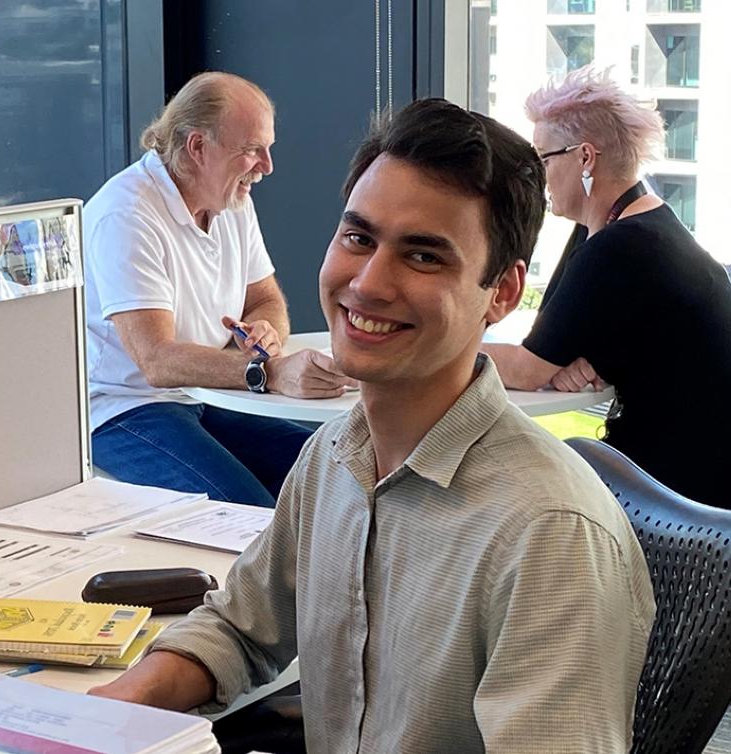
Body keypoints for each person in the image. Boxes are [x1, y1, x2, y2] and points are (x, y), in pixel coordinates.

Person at [88, 99, 655, 753]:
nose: (368, 282)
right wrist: (116, 705)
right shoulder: (333, 454)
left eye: (423, 257)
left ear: (500, 292)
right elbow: (242, 629)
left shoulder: (549, 535)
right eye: (359, 238)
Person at [84, 72, 353, 507]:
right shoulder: (127, 214)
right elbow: (157, 361)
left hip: (201, 397)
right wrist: (271, 373)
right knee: (251, 514)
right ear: (196, 147)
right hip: (124, 410)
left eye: (268, 149)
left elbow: (266, 298)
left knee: (338, 474)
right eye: (251, 150)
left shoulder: (232, 201)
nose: (267, 166)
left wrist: (267, 330)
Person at [483, 67, 731, 509]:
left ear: (584, 158)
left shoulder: (622, 246)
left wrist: (423, 350)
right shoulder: (633, 223)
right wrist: (566, 359)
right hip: (681, 477)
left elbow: (526, 368)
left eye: (543, 159)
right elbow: (548, 341)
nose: (538, 177)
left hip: (678, 501)